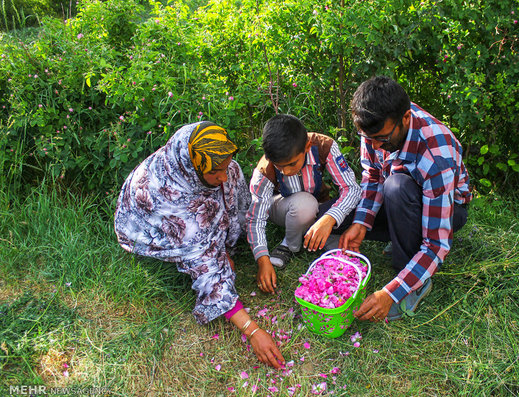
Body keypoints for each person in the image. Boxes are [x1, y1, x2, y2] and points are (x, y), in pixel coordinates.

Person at [114, 121, 284, 368]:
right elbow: (206, 269)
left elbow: (237, 202)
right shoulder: (166, 194)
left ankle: (220, 248)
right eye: (216, 172)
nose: (224, 176)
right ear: (193, 166)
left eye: (224, 167)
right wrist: (253, 330)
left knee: (233, 175)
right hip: (153, 227)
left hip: (193, 209)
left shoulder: (216, 168)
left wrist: (245, 252)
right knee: (204, 256)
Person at [339, 76, 472, 322]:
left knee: (397, 186)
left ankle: (415, 282)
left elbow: (436, 245)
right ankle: (402, 237)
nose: (375, 146)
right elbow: (373, 174)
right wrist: (362, 222)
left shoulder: (437, 155)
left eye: (382, 139)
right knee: (345, 214)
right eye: (368, 139)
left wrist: (391, 292)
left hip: (447, 210)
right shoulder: (374, 128)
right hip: (402, 200)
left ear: (406, 119)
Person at [246, 114, 361, 294]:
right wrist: (263, 259)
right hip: (282, 207)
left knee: (318, 209)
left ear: (307, 147)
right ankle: (289, 245)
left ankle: (318, 237)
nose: (286, 171)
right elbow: (255, 219)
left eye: (292, 164)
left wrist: (330, 218)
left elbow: (352, 189)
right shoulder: (265, 168)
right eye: (279, 166)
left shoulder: (325, 147)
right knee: (304, 204)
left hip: (319, 207)